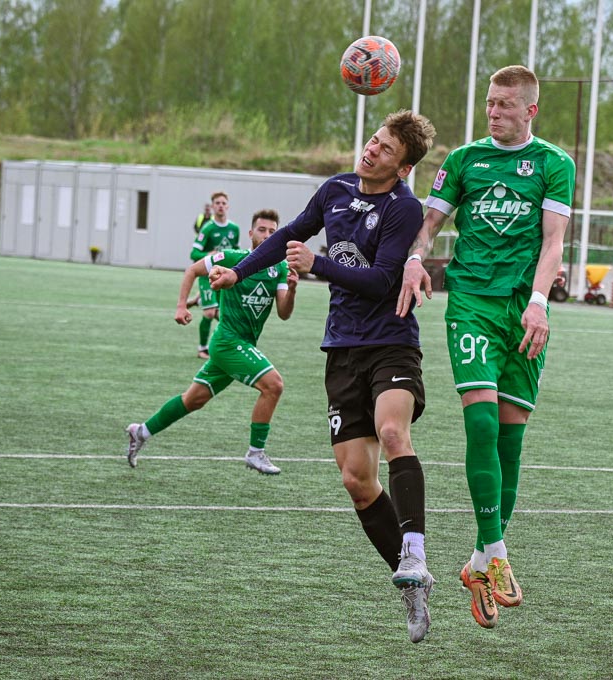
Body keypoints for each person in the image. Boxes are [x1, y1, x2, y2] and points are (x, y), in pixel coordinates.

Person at [208, 110, 437, 644]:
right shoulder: (334, 189)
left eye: (385, 149)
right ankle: (411, 583)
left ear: (403, 168)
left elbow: (381, 280)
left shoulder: (404, 208)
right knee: (357, 481)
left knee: (392, 432)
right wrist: (238, 271)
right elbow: (290, 235)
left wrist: (318, 266)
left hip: (391, 343)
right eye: (374, 140)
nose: (371, 150)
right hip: (342, 349)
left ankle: (415, 548)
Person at [397, 65, 575, 629]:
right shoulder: (464, 160)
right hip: (472, 301)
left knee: (510, 440)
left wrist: (539, 302)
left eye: (504, 104)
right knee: (480, 422)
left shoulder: (554, 164)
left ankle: (478, 562)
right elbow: (429, 224)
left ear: (530, 110)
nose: (493, 112)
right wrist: (415, 258)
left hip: (524, 310)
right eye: (490, 102)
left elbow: (554, 242)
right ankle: (497, 552)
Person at [125, 209, 296, 476]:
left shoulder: (280, 268)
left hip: (242, 345)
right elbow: (193, 270)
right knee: (274, 385)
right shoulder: (232, 258)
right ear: (250, 233)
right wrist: (181, 305)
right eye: (262, 230)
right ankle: (255, 453)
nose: (267, 235)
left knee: (193, 400)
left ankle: (141, 432)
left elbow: (284, 313)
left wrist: (293, 289)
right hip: (227, 342)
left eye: (273, 232)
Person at [191, 192, 242, 358]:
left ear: (228, 206)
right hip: (207, 276)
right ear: (213, 206)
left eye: (223, 203)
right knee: (209, 313)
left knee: (223, 315)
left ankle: (199, 299)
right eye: (217, 203)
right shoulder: (208, 228)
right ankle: (202, 349)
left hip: (224, 277)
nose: (220, 206)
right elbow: (194, 254)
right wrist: (209, 255)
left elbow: (236, 251)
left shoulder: (234, 229)